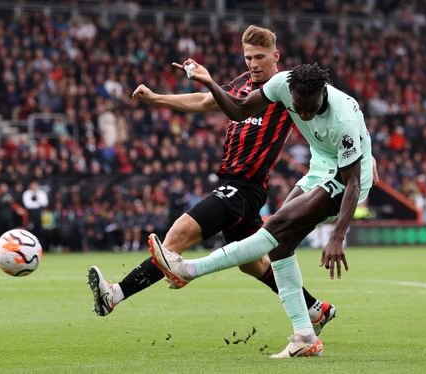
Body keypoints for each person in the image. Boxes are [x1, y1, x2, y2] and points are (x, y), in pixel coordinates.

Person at [87, 25, 336, 334]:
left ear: (275, 56)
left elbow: (322, 111)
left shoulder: (286, 89)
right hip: (236, 185)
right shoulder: (245, 83)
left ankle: (115, 294)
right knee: (253, 263)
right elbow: (207, 102)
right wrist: (156, 98)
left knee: (176, 238)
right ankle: (314, 309)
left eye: (260, 57)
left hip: (244, 187)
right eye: (248, 58)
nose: (253, 64)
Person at [149, 62, 374, 358]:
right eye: (299, 109)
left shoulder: (340, 119)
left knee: (275, 226)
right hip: (320, 167)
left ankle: (189, 270)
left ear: (323, 94)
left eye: (311, 109)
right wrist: (210, 82)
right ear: (289, 92)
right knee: (280, 246)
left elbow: (353, 184)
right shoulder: (282, 84)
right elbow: (240, 109)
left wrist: (337, 236)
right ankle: (305, 335)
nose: (304, 115)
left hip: (347, 180)